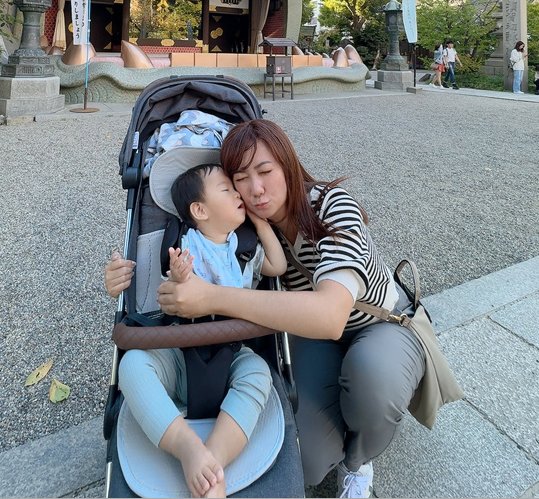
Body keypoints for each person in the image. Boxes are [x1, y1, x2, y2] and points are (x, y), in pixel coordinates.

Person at [145, 119, 427, 499]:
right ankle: (343, 423)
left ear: (287, 165)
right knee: (308, 462)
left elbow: (330, 316)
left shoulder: (333, 206)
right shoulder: (250, 231)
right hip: (314, 336)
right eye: (240, 178)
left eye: (265, 171)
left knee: (373, 381)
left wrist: (210, 297)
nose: (255, 189)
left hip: (378, 323)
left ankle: (358, 460)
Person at [109, 154, 287, 499]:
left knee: (258, 372)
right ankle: (186, 445)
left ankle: (213, 459)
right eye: (227, 189)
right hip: (179, 354)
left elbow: (278, 266)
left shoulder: (245, 250)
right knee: (132, 364)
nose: (239, 194)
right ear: (200, 211)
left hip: (232, 353)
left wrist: (261, 224)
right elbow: (171, 290)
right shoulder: (185, 247)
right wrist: (178, 277)